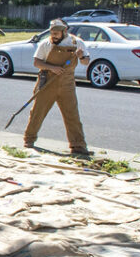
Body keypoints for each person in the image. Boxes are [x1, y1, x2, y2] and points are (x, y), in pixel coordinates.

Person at [24, 19, 93, 157]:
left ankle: (78, 146)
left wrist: (81, 57)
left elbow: (86, 62)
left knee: (72, 115)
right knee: (38, 112)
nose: (53, 36)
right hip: (47, 82)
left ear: (64, 32)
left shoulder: (77, 43)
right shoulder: (46, 44)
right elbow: (37, 62)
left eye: (56, 33)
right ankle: (29, 140)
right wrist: (52, 68)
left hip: (67, 85)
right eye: (52, 33)